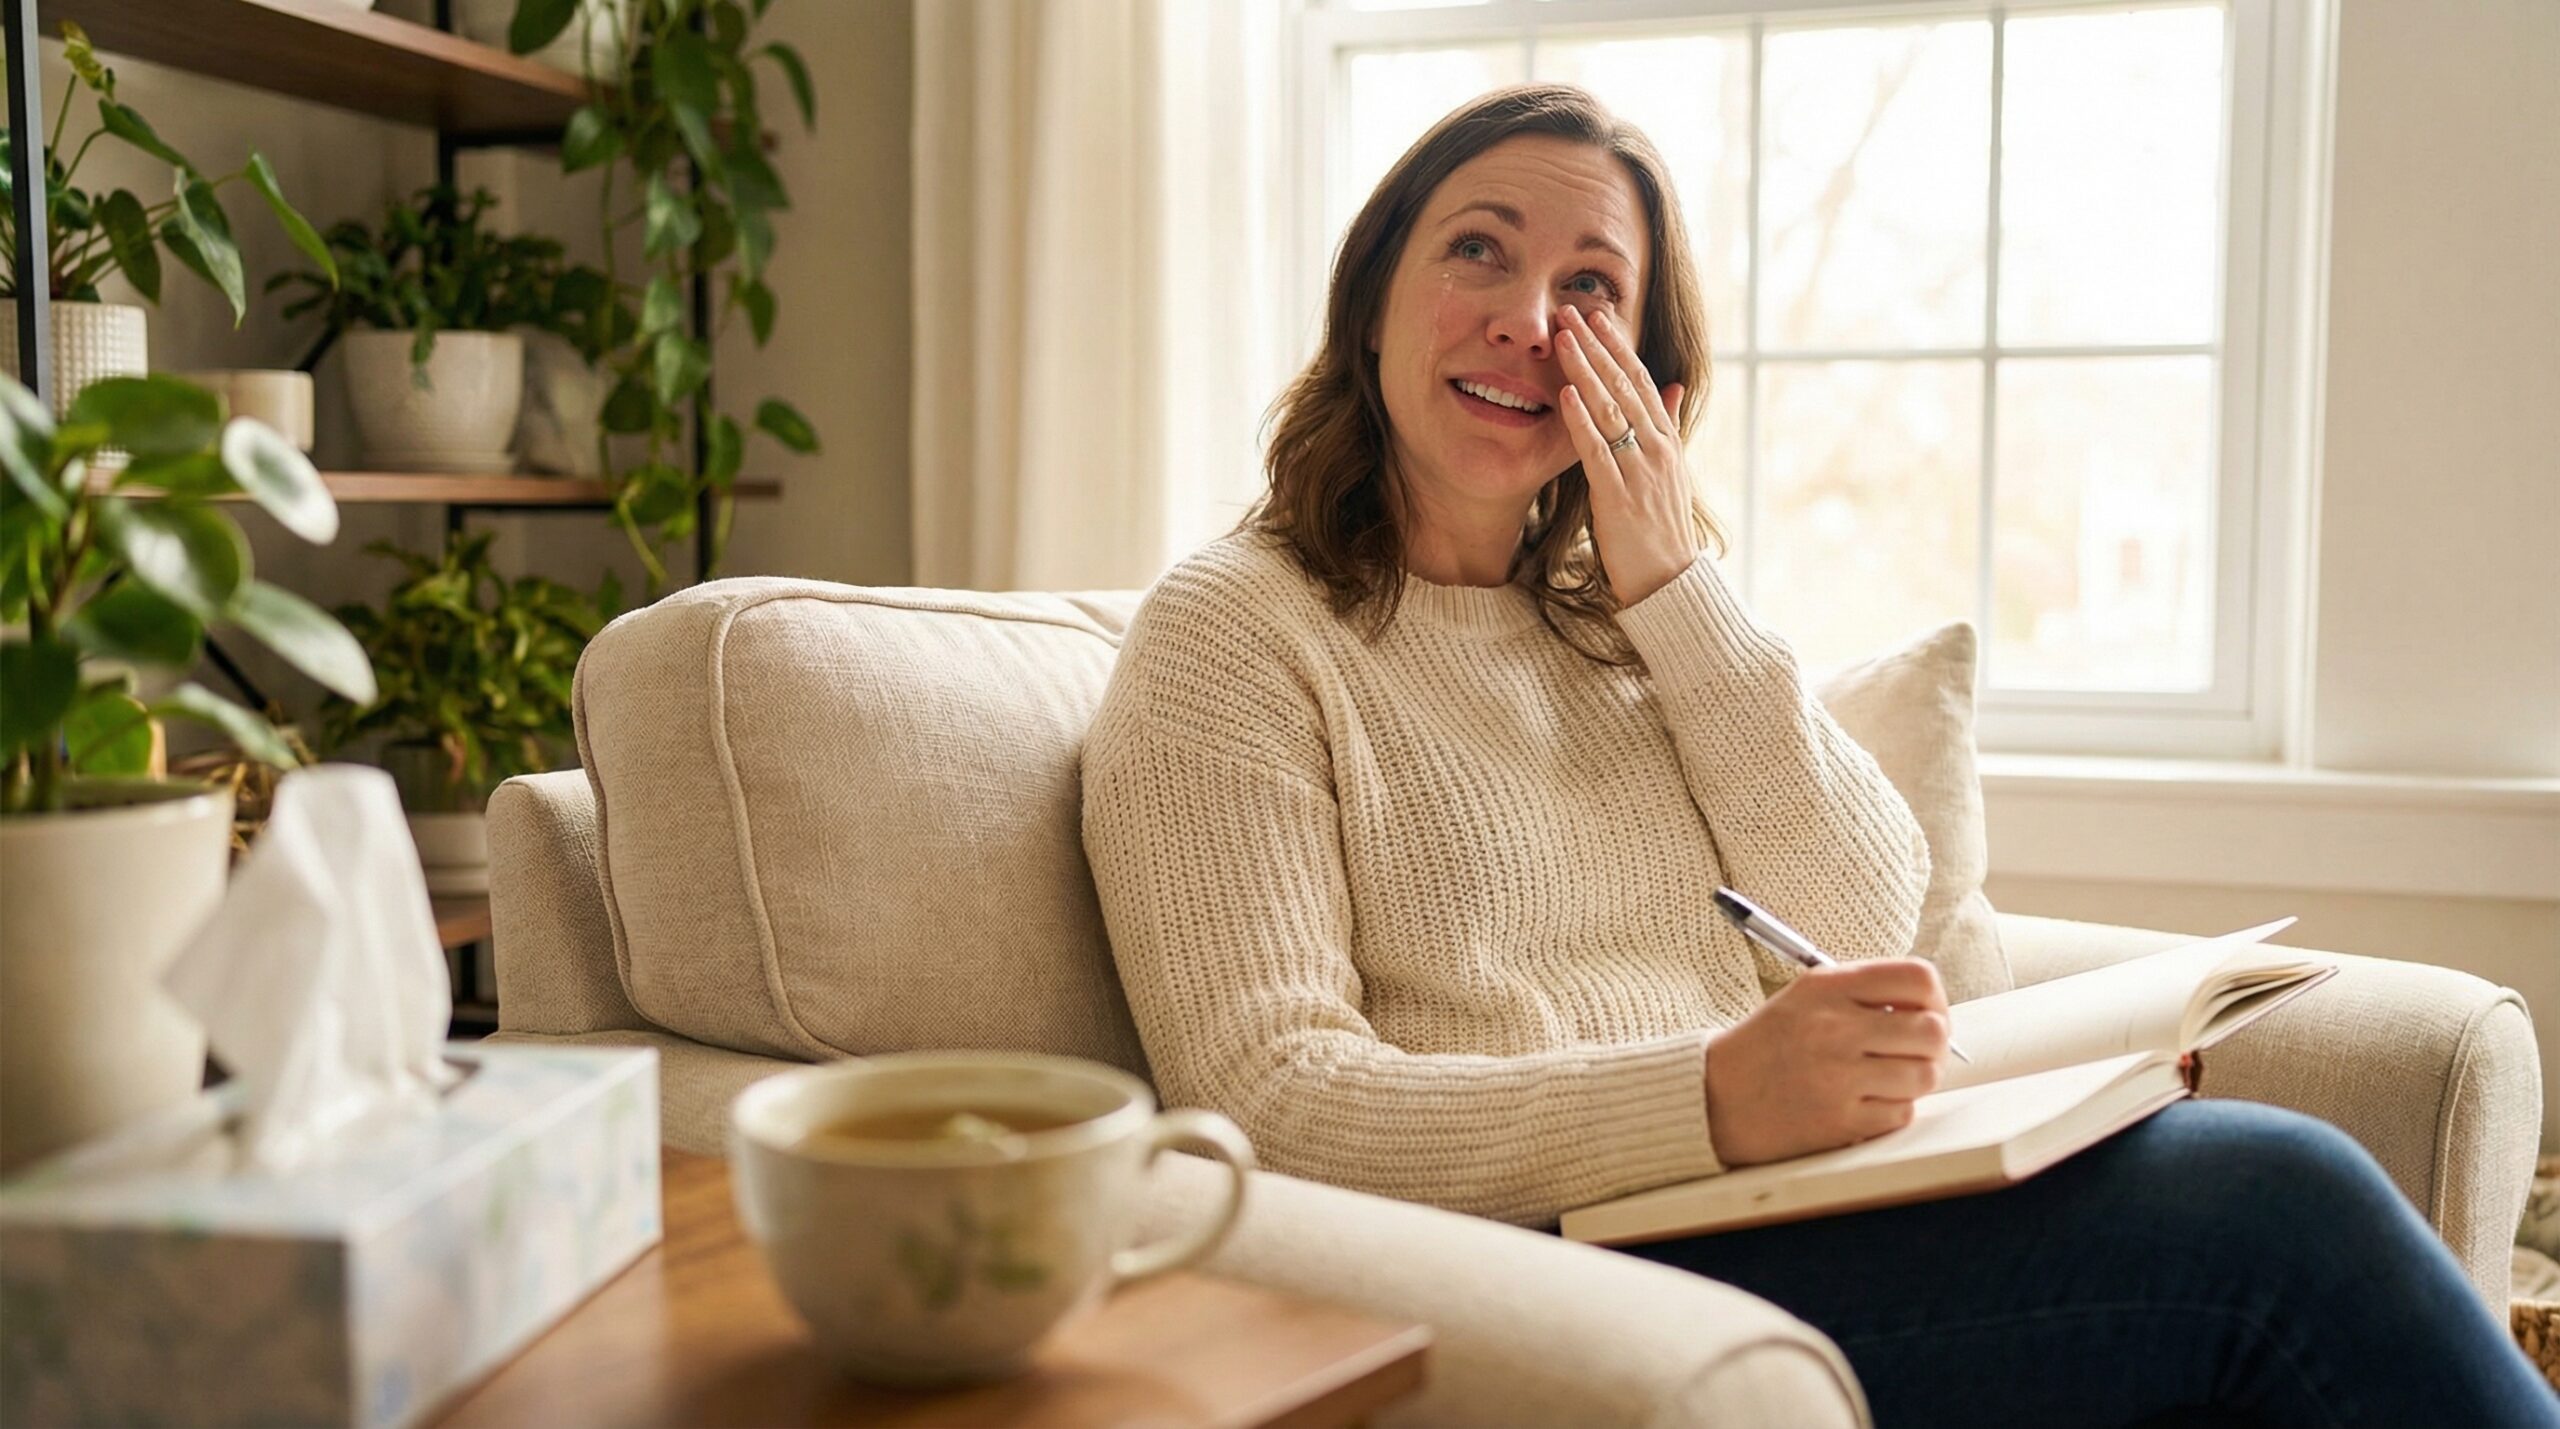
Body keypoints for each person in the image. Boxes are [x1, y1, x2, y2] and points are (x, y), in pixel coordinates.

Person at [1077, 82, 2555, 1426]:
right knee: (2278, 1209)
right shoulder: (1235, 632)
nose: (1530, 318)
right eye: (1479, 250)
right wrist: (1708, 1095)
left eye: (1589, 287)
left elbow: (1865, 905)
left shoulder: (1615, 629)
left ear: (1643, 381)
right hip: (1575, 1274)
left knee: (2263, 1174)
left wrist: (1672, 587)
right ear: (1375, 300)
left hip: (1789, 1209)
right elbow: (1266, 1100)